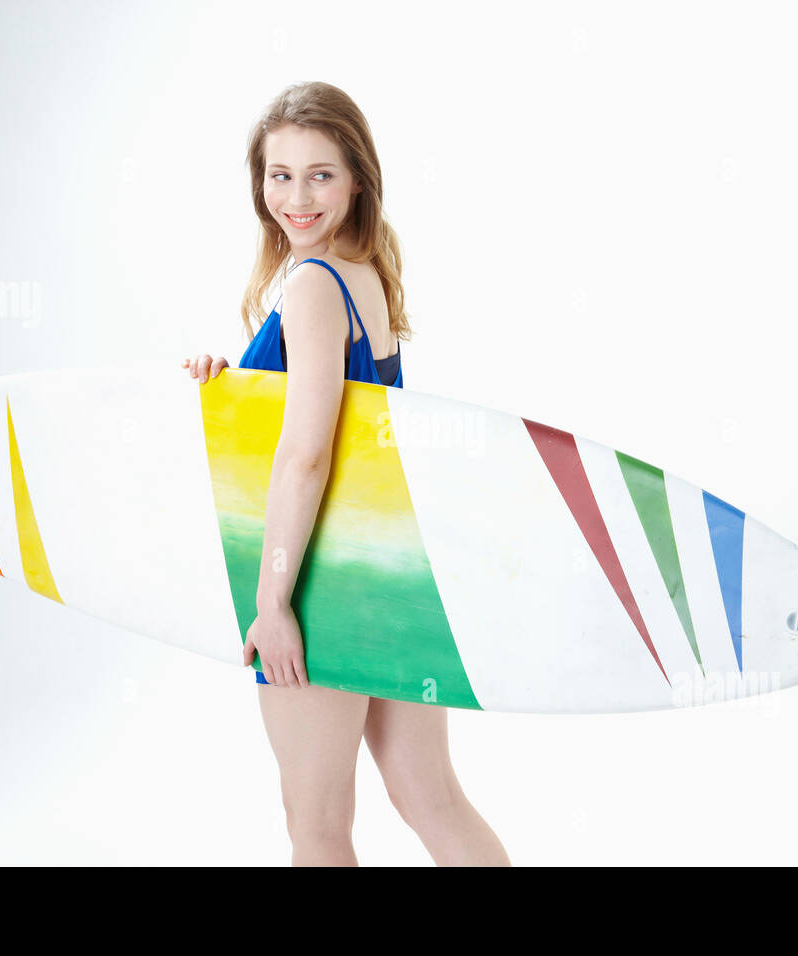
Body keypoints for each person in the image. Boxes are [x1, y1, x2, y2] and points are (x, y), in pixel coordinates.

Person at [182, 82, 509, 867]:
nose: (296, 196)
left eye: (320, 174)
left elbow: (308, 456)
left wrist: (273, 601)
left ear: (358, 178)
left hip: (319, 583)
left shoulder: (310, 287)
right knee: (433, 800)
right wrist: (232, 384)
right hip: (392, 570)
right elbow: (329, 417)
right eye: (279, 174)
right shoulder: (364, 276)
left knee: (317, 825)